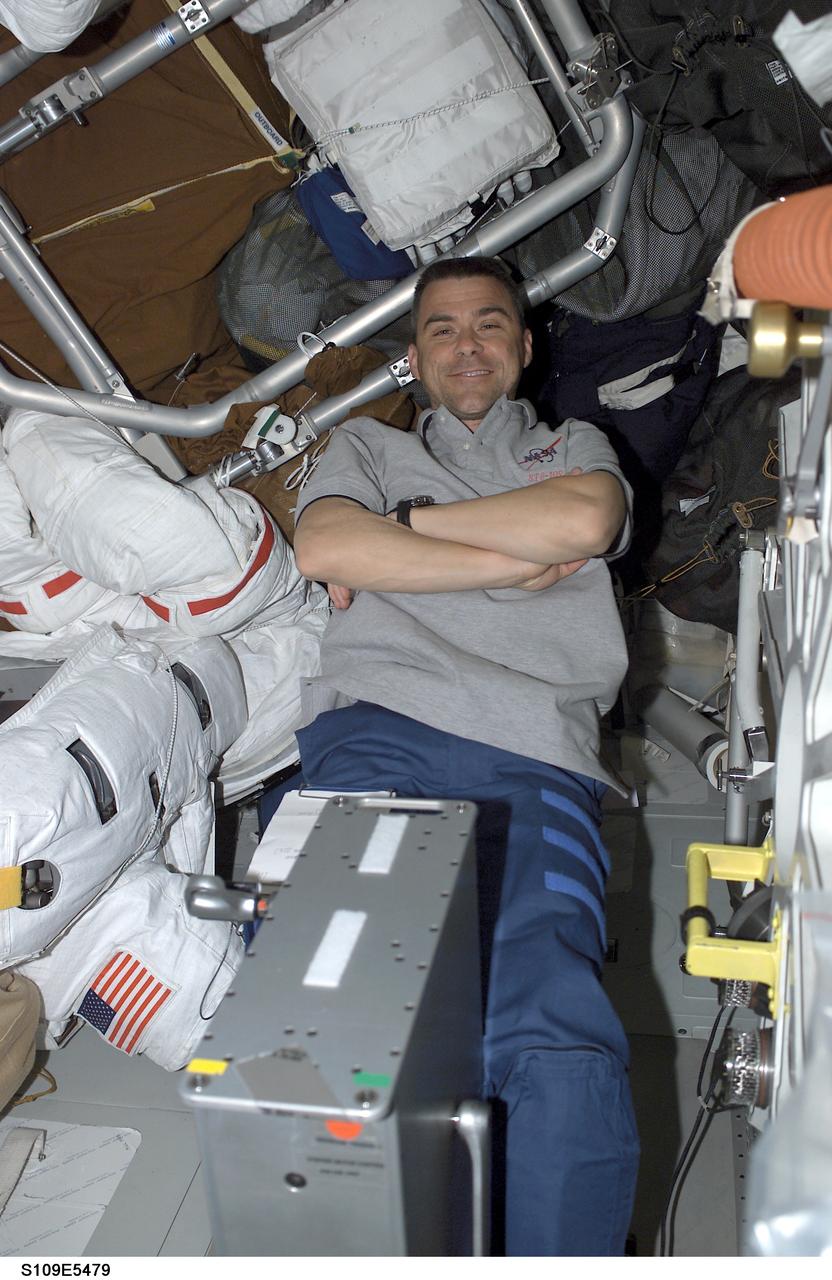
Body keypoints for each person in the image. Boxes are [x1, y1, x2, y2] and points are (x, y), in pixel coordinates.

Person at [285, 255, 640, 1256]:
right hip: (376, 732)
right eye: (441, 329)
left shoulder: (576, 444)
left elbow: (580, 519)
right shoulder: (360, 444)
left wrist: (405, 537)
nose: (466, 343)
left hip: (538, 759)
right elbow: (326, 549)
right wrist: (500, 556)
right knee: (343, 1023)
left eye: (489, 324)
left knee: (550, 1033)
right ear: (413, 359)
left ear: (522, 351)